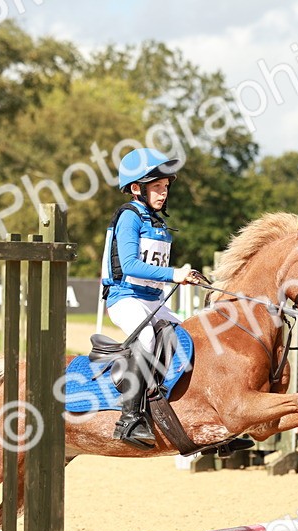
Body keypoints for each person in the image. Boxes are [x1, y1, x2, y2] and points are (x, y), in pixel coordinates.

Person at [101, 148, 203, 450]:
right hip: (124, 298)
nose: (163, 193)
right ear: (137, 188)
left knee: (189, 336)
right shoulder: (129, 217)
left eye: (166, 187)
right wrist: (175, 275)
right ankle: (129, 419)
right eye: (157, 187)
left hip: (153, 302)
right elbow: (131, 265)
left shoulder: (155, 221)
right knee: (145, 338)